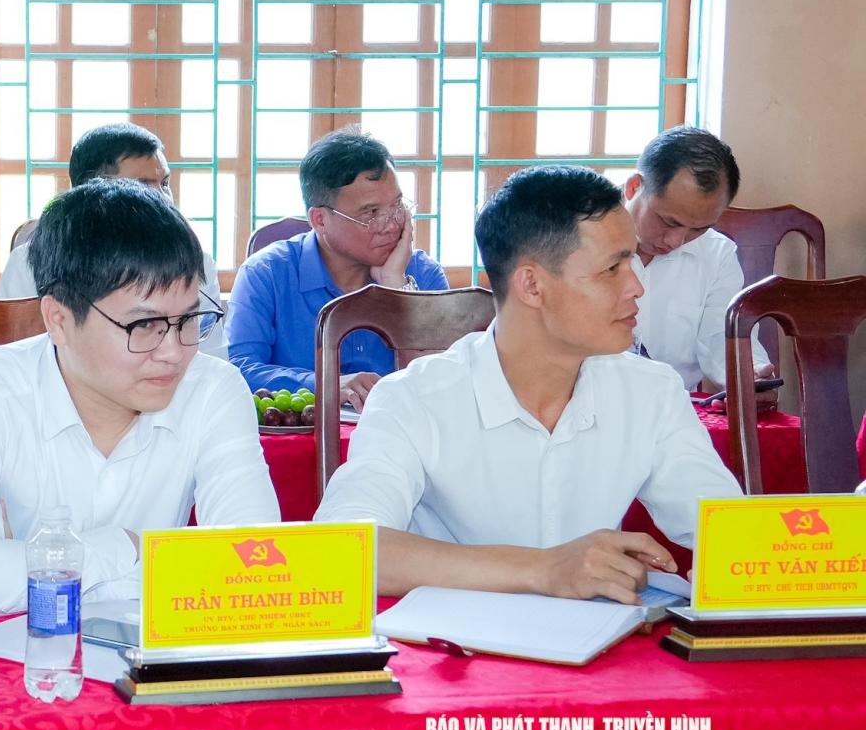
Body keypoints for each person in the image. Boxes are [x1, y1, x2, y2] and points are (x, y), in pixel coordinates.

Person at [314, 166, 742, 603]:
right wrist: (545, 569)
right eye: (612, 268)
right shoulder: (413, 399)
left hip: (594, 639)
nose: (636, 287)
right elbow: (342, 550)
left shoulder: (650, 392)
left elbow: (733, 532)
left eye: (631, 260)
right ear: (532, 285)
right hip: (456, 641)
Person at [0, 179, 279, 622]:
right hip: (28, 657)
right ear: (58, 320)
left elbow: (252, 572)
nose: (174, 352)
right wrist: (127, 546)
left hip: (156, 657)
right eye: (144, 326)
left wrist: (38, 568)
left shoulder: (213, 390)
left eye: (190, 319)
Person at [227, 129, 449, 408]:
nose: (392, 224)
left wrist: (398, 290)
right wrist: (324, 384)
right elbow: (240, 369)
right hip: (305, 432)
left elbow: (445, 379)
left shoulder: (422, 274)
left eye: (396, 206)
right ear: (320, 220)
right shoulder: (266, 274)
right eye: (372, 213)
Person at [0, 123, 228, 357]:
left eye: (165, 184)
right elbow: (12, 358)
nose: (163, 200)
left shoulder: (196, 263)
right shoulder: (26, 264)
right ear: (91, 194)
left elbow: (213, 359)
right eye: (143, 186)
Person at [623, 125, 774, 397]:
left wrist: (750, 376)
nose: (676, 241)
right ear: (634, 188)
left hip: (674, 409)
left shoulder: (716, 254)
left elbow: (723, 336)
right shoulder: (577, 239)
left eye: (698, 229)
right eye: (669, 222)